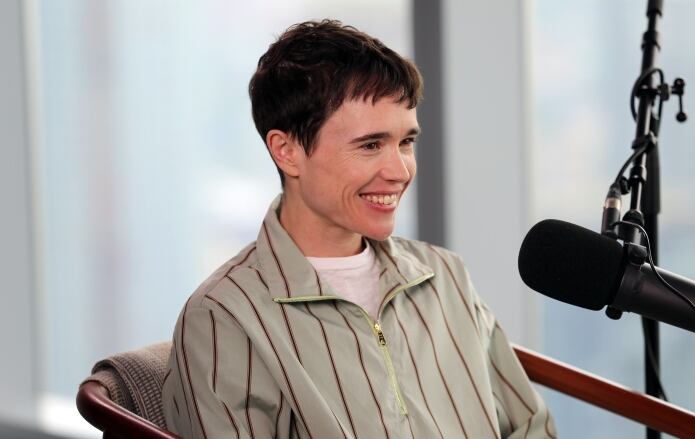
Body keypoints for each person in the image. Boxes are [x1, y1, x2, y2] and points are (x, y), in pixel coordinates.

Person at [162, 19, 556, 439]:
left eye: (406, 142)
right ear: (287, 151)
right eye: (371, 145)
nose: (400, 170)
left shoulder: (445, 275)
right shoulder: (224, 317)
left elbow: (532, 427)